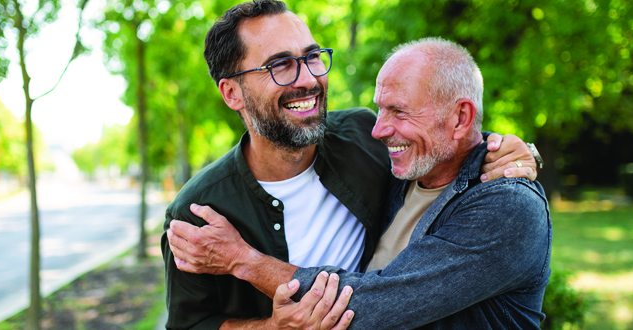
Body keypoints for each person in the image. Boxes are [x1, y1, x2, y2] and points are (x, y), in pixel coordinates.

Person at [162, 1, 540, 329]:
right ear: (232, 93)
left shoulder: (362, 139)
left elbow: (374, 305)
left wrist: (243, 261)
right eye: (280, 65)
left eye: (311, 57)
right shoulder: (198, 214)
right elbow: (191, 325)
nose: (308, 78)